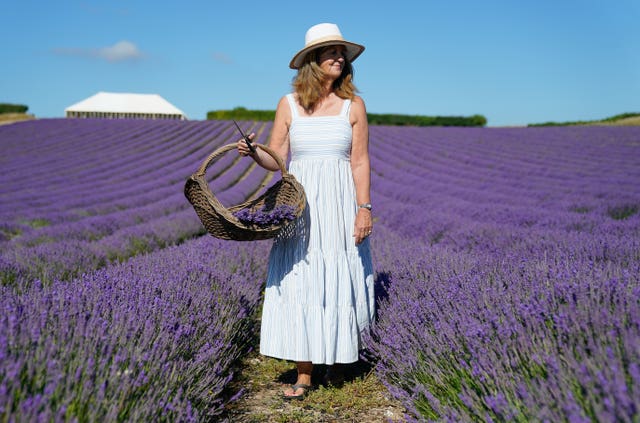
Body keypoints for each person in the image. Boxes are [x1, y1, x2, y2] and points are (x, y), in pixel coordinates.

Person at [237, 22, 375, 400]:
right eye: (330, 52)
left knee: (336, 275)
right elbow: (278, 157)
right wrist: (254, 152)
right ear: (312, 61)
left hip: (339, 201)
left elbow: (360, 162)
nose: (338, 58)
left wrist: (363, 209)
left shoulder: (353, 105)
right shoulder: (289, 104)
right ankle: (304, 373)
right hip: (300, 205)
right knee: (302, 277)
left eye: (341, 53)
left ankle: (335, 358)